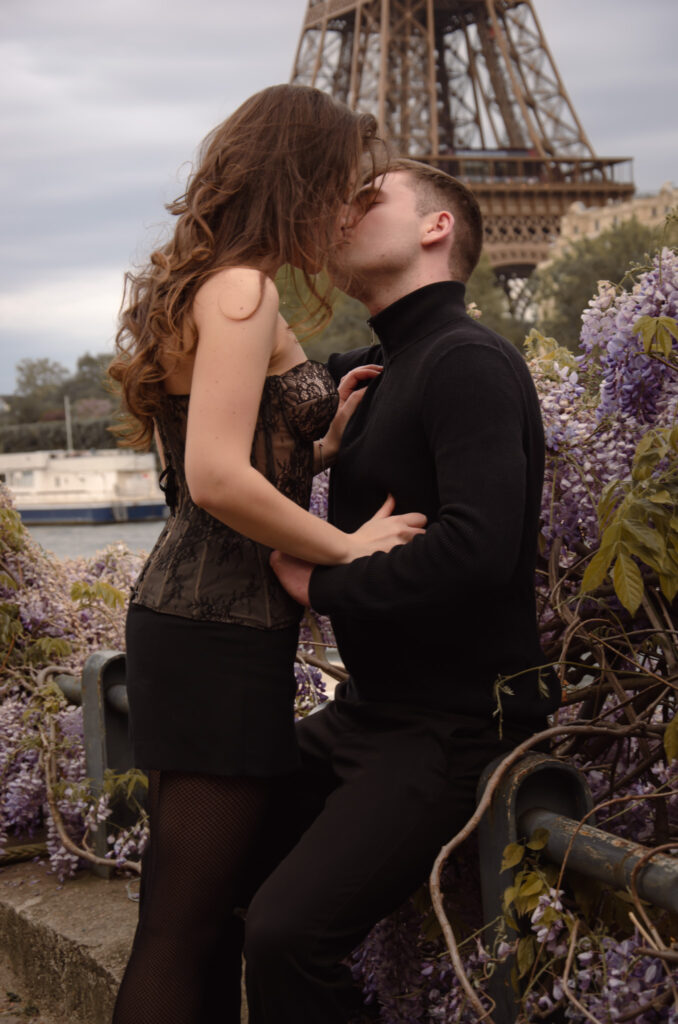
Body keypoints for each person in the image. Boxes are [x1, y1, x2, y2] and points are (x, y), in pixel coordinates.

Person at [108, 90, 426, 1024]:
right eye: (342, 188)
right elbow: (213, 479)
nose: (346, 211)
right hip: (217, 633)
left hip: (192, 621)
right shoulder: (245, 291)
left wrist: (319, 445)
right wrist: (347, 546)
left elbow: (218, 463)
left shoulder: (206, 284)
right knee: (184, 926)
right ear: (301, 179)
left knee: (195, 916)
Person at [243, 159, 561, 1023]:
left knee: (286, 935)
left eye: (368, 197)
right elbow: (226, 414)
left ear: (435, 227)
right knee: (210, 846)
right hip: (370, 714)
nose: (341, 212)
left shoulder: (467, 360)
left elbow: (477, 552)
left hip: (456, 725)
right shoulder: (380, 366)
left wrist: (324, 583)